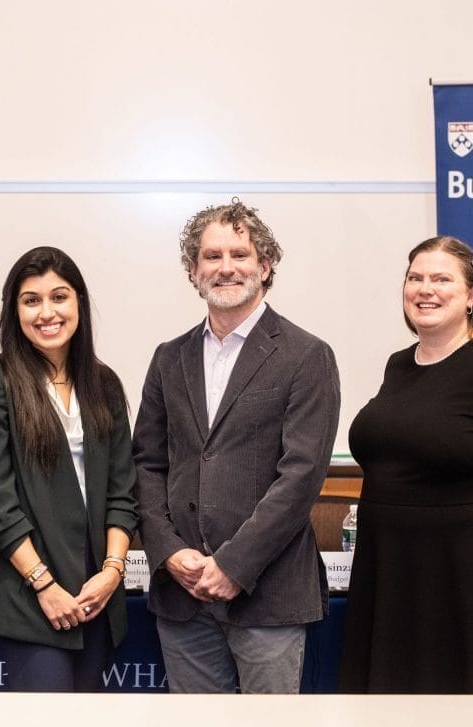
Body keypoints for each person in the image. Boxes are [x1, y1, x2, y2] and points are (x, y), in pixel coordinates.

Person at [132, 199, 340, 694]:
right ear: (192, 270)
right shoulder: (169, 357)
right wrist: (168, 551)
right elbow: (147, 463)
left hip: (267, 593)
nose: (225, 267)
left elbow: (301, 476)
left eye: (240, 254)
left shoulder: (307, 355)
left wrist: (233, 565)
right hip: (182, 594)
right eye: (211, 256)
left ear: (265, 266)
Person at [0, 246, 138, 692]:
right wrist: (43, 584)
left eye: (59, 297)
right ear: (14, 310)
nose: (47, 312)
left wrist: (111, 572)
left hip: (97, 590)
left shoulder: (104, 384)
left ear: (78, 301)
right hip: (31, 591)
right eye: (31, 300)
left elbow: (122, 491)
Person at [340, 235, 473, 693]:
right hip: (386, 566)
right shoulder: (398, 365)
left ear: (470, 294)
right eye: (415, 278)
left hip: (456, 573)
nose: (425, 289)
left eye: (441, 279)